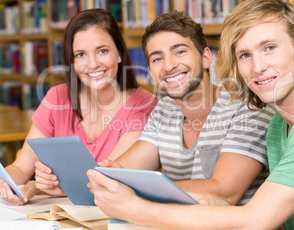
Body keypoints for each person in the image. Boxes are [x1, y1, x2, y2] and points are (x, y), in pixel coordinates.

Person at [87, 0, 294, 229]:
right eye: (245, 55)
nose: (258, 67)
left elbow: (254, 220)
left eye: (270, 48)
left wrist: (134, 206)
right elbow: (251, 208)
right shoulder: (279, 123)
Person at [83, 11, 275, 206]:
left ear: (206, 57)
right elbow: (124, 170)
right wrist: (108, 173)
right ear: (151, 73)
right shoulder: (164, 109)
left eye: (180, 52)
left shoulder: (249, 108)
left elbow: (225, 191)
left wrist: (134, 188)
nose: (169, 66)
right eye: (157, 59)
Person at [0, 9, 157, 205]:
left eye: (102, 51)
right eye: (80, 55)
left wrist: (38, 187)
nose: (92, 64)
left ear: (119, 53)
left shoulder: (143, 106)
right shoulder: (57, 98)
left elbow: (105, 182)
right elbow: (20, 168)